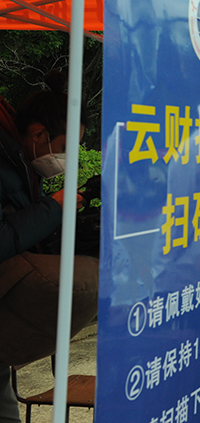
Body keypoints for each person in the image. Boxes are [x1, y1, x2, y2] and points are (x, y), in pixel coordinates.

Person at [0, 76, 86, 423]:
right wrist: (54, 207)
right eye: (66, 147)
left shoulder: (19, 162)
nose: (69, 158)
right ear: (38, 134)